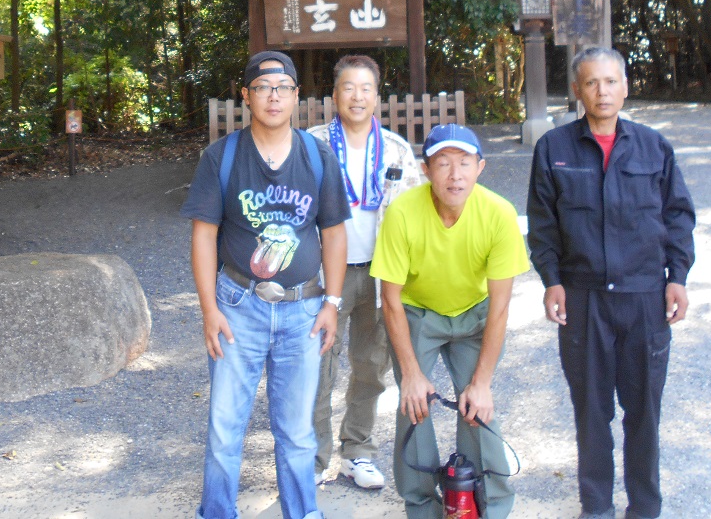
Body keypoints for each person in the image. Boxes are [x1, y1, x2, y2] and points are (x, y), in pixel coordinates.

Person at [526, 47, 695, 519]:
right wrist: (552, 280)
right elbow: (542, 224)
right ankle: (596, 505)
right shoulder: (554, 149)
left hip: (644, 297)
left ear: (625, 87)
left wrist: (678, 277)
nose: (602, 91)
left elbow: (678, 217)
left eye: (610, 81)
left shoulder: (654, 147)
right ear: (576, 90)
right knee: (591, 411)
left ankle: (645, 507)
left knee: (643, 411)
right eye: (591, 82)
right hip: (583, 299)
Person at [181, 50, 351, 519]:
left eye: (282, 88)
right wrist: (209, 310)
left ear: (296, 96)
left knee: (296, 431)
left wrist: (332, 302)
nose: (273, 96)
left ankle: (303, 512)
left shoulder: (317, 156)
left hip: (303, 310)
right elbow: (203, 235)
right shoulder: (222, 157)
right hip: (237, 307)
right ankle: (217, 512)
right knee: (225, 427)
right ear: (246, 95)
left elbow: (334, 232)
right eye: (262, 88)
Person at [371, 124, 529, 519]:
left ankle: (490, 505)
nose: (455, 175)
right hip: (418, 311)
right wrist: (411, 374)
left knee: (477, 406)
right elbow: (390, 299)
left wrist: (482, 383)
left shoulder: (499, 214)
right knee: (414, 403)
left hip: (474, 312)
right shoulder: (402, 212)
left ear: (481, 167)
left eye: (464, 163)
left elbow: (500, 307)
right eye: (443, 163)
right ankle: (422, 505)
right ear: (426, 169)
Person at [307, 54, 424, 490]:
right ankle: (313, 457)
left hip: (380, 275)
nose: (357, 96)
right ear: (334, 94)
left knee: (371, 366)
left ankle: (357, 450)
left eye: (366, 88)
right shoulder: (311, 145)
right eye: (348, 88)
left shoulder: (396, 149)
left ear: (377, 96)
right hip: (323, 275)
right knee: (317, 365)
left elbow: (414, 214)